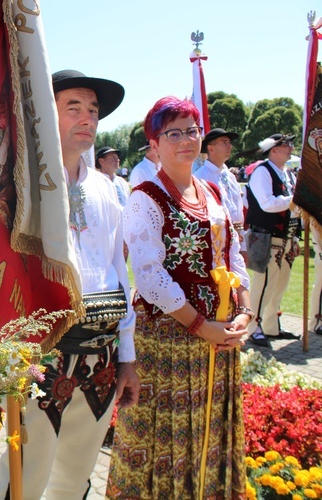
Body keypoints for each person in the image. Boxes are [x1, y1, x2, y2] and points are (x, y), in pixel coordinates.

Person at [0, 70, 138, 500]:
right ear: (45, 114)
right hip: (42, 355)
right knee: (26, 473)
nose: (87, 118)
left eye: (93, 110)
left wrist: (127, 355)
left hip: (104, 354)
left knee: (77, 472)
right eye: (73, 107)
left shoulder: (108, 189)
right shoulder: (23, 186)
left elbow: (118, 270)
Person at [107, 97, 250, 499]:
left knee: (209, 428)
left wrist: (245, 309)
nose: (186, 139)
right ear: (154, 144)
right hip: (170, 338)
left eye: (192, 130)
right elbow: (150, 276)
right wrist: (201, 325)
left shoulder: (211, 190)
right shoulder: (144, 197)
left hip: (219, 333)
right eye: (173, 132)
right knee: (168, 434)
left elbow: (231, 252)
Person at [244, 133, 302, 347]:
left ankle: (270, 325)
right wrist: (295, 200)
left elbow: (292, 207)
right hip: (267, 235)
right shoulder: (262, 172)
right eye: (287, 145)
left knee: (279, 284)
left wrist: (296, 232)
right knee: (264, 283)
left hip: (286, 236)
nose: (291, 148)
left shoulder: (287, 174)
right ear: (274, 150)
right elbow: (267, 203)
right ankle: (253, 327)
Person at [195, 128, 246, 261]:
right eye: (224, 142)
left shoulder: (230, 176)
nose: (230, 146)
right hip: (215, 244)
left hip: (236, 241)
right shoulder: (200, 178)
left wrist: (243, 245)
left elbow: (238, 211)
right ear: (210, 148)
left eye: (229, 142)